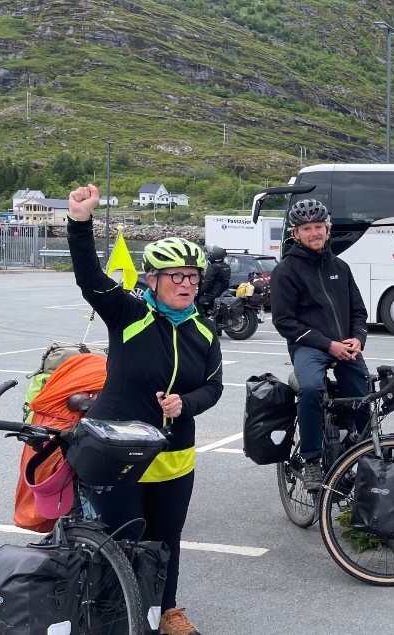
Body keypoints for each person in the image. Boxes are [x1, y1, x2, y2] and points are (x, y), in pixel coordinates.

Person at [66, 184, 223, 635]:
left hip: (175, 457)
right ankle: (120, 615)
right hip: (121, 454)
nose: (187, 284)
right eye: (176, 276)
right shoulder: (129, 314)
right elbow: (89, 277)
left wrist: (185, 403)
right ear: (151, 280)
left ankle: (167, 611)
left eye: (193, 276)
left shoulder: (205, 331)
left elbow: (213, 387)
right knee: (122, 542)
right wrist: (80, 220)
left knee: (165, 541)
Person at [270, 198, 370, 491]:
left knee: (365, 394)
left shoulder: (341, 266)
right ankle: (312, 459)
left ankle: (361, 447)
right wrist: (328, 345)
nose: (314, 233)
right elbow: (284, 322)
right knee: (312, 389)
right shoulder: (286, 270)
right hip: (309, 347)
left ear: (328, 229)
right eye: (306, 228)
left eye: (319, 227)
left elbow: (359, 313)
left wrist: (357, 339)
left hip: (345, 346)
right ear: (295, 233)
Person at [197, 244, 231, 315]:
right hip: (222, 292)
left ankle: (202, 319)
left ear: (215, 255)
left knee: (197, 302)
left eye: (210, 254)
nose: (208, 256)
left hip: (213, 293)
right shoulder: (226, 266)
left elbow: (208, 282)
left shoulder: (213, 267)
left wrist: (200, 293)